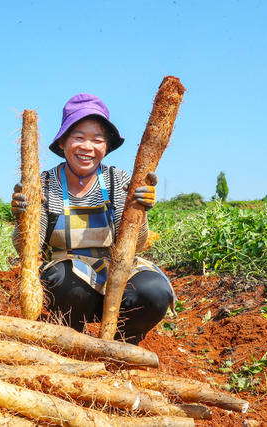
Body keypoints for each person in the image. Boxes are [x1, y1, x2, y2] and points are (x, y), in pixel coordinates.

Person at [11, 93, 175, 344]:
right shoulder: (43, 183)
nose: (88, 147)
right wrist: (23, 219)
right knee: (64, 281)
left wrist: (139, 214)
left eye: (97, 140)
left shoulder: (118, 181)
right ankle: (72, 341)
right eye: (79, 137)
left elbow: (135, 246)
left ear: (106, 147)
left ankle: (123, 345)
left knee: (154, 292)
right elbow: (28, 249)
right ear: (63, 142)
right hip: (69, 283)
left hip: (116, 271)